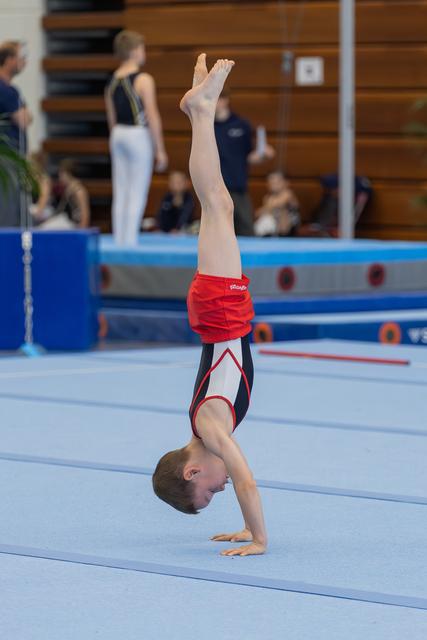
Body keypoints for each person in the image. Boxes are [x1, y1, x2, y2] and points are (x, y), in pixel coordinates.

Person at [152, 55, 267, 557]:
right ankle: (200, 111)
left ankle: (202, 111)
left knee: (217, 204)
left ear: (193, 470)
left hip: (222, 315)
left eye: (209, 490)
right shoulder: (203, 424)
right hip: (218, 317)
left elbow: (244, 479)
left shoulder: (210, 429)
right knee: (218, 203)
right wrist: (246, 529)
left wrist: (258, 537)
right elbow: (235, 479)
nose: (220, 488)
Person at [105, 30, 168, 246]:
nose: (144, 53)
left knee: (121, 189)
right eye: (142, 48)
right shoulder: (143, 79)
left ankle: (119, 240)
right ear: (133, 52)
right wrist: (159, 149)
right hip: (137, 134)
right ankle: (129, 242)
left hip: (118, 134)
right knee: (137, 190)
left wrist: (115, 140)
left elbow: (111, 117)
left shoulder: (112, 82)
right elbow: (152, 115)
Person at [214, 89, 274, 236]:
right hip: (216, 190)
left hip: (239, 188)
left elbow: (251, 156)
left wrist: (263, 154)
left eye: (218, 99)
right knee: (217, 232)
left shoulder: (241, 125)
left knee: (246, 230)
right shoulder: (207, 126)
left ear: (225, 100)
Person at [0, 40, 32, 227]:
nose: (25, 63)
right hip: (7, 159)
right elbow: (24, 119)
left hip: (13, 157)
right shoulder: (5, 90)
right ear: (9, 60)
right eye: (21, 58)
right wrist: (26, 114)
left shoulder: (11, 90)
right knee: (8, 209)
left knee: (18, 208)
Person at [40, 159, 90, 229]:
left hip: (74, 225)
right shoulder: (68, 189)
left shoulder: (79, 191)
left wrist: (81, 234)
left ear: (67, 173)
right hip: (67, 221)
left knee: (44, 229)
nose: (59, 177)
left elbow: (85, 214)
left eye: (61, 174)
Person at [254, 170, 300, 237]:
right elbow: (258, 214)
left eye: (277, 182)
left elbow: (277, 204)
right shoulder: (268, 197)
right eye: (271, 182)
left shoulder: (288, 193)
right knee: (265, 219)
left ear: (286, 183)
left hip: (289, 228)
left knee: (273, 215)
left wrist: (266, 208)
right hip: (275, 226)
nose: (273, 184)